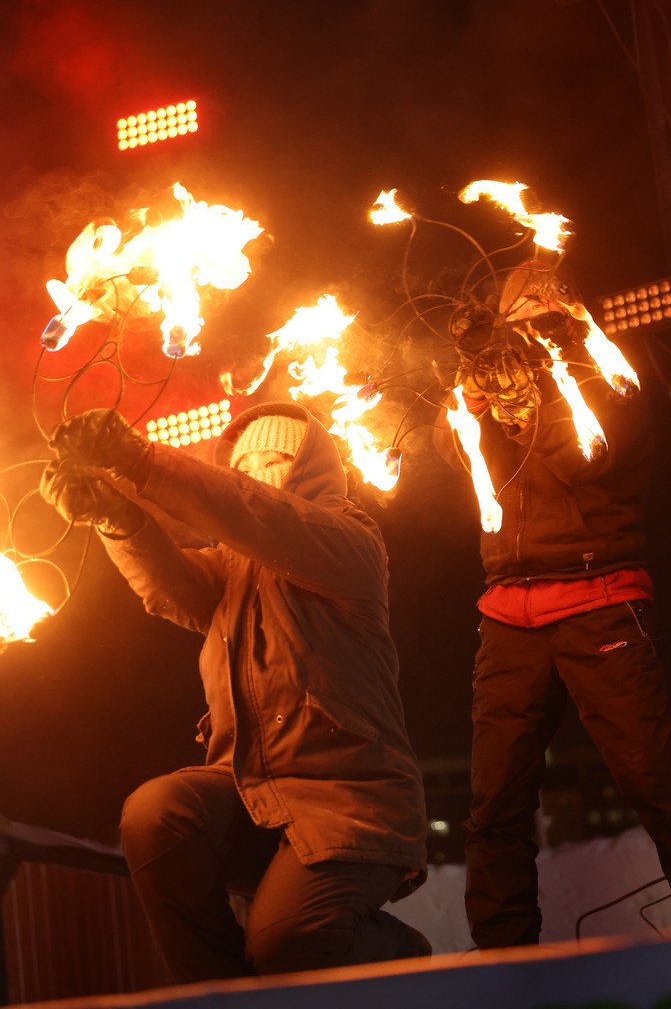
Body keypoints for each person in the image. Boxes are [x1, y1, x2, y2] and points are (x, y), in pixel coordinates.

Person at [41, 401, 430, 981]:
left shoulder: (349, 541)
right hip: (252, 793)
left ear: (310, 470)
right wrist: (117, 517)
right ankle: (222, 997)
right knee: (155, 813)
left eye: (271, 459)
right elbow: (169, 586)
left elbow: (257, 515)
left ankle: (404, 956)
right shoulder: (234, 570)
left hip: (347, 800)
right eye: (241, 464)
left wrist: (140, 460)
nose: (251, 474)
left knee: (288, 943)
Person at [446, 258, 671, 949]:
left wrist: (531, 396)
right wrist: (471, 400)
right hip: (508, 613)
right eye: (515, 314)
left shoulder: (606, 373)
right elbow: (454, 452)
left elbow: (583, 459)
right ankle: (505, 969)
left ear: (565, 309)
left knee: (657, 784)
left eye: (539, 311)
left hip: (599, 599)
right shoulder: (497, 374)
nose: (526, 324)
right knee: (495, 802)